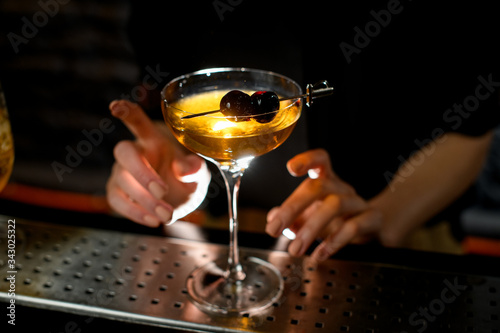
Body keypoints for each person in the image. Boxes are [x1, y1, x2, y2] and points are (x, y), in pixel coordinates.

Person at [106, 1, 500, 261]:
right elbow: (168, 92)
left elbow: (474, 121)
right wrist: (170, 168)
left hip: (399, 238)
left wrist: (385, 217)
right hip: (219, 233)